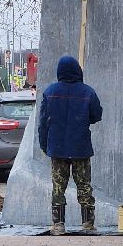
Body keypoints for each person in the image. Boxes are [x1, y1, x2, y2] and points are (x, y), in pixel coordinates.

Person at [37, 54, 103, 235]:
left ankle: (58, 224)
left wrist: (45, 145)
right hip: (80, 147)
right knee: (84, 185)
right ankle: (88, 223)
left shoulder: (50, 92)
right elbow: (97, 115)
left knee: (58, 186)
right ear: (78, 71)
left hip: (57, 148)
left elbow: (43, 123)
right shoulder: (87, 92)